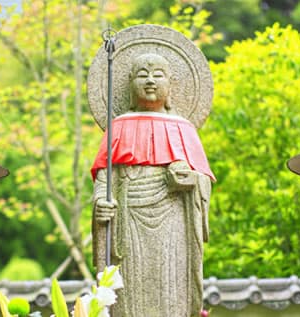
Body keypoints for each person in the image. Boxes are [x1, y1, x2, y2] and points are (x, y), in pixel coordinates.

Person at [91, 53, 215, 317]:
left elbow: (202, 180)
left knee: (172, 284)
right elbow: (106, 178)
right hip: (128, 220)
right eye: (142, 74)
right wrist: (100, 201)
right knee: (128, 291)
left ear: (171, 83)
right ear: (129, 81)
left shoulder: (184, 128)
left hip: (174, 222)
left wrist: (191, 180)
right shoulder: (119, 126)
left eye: (158, 74)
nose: (150, 81)